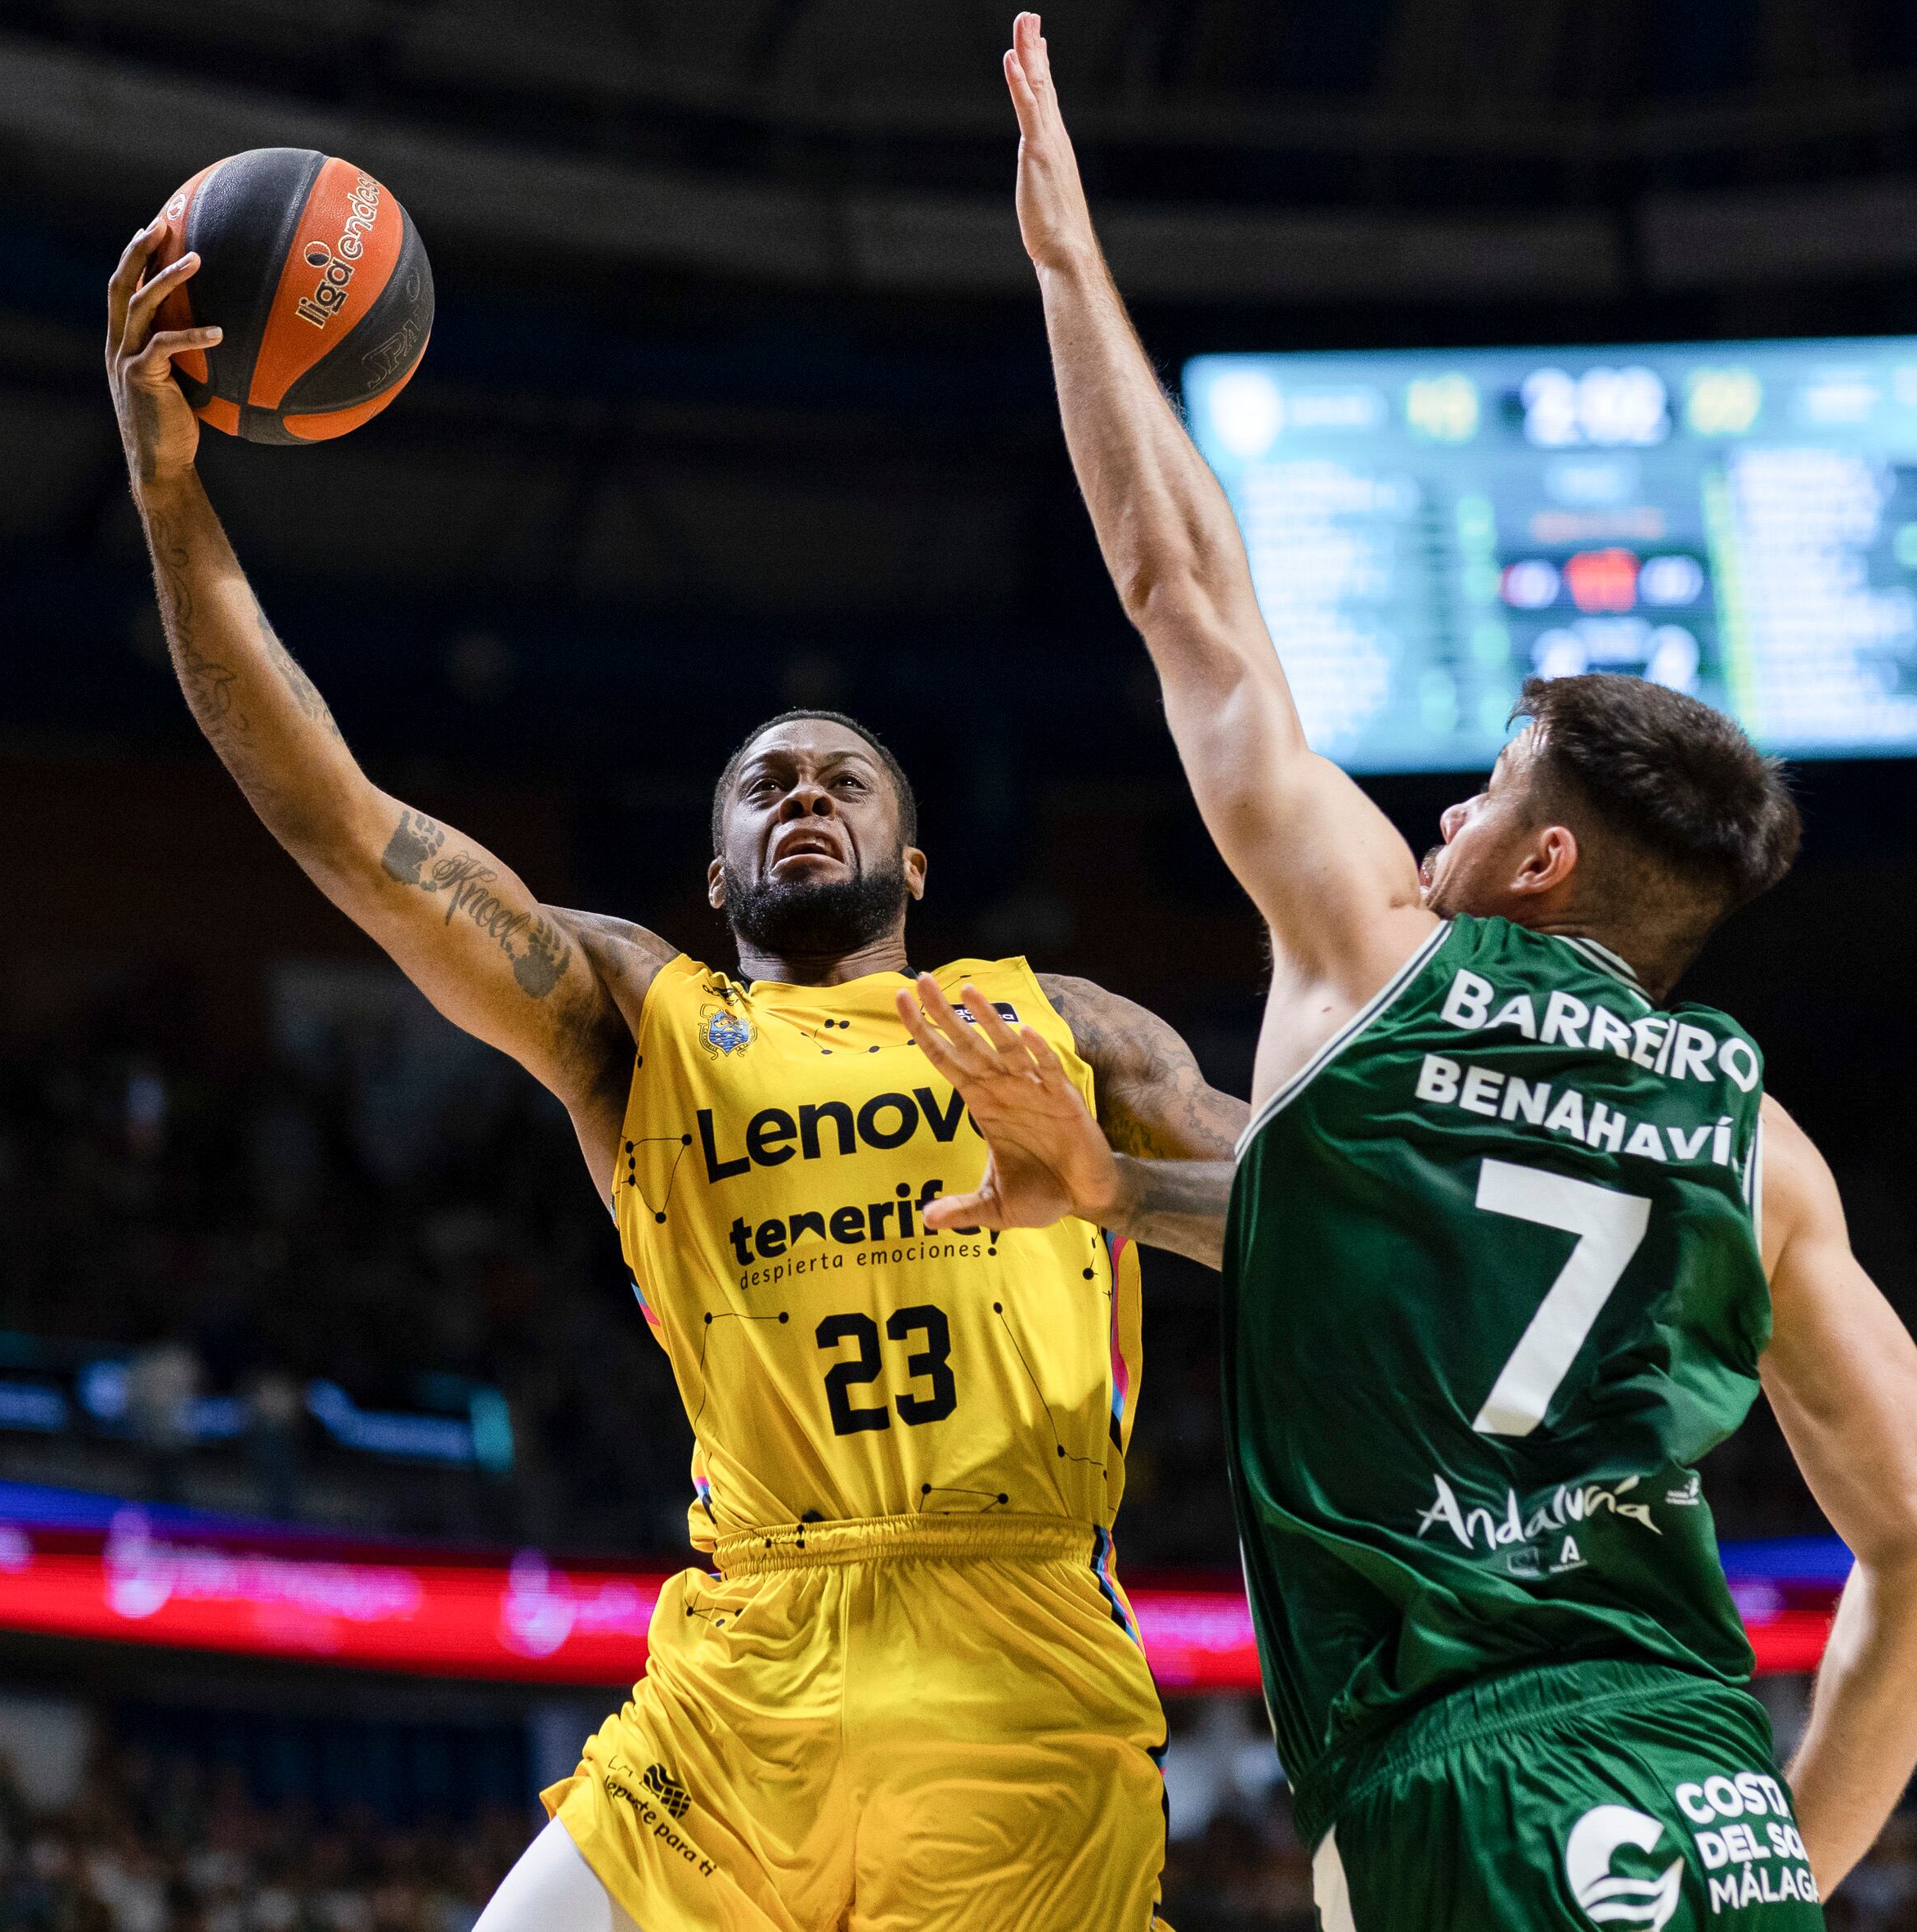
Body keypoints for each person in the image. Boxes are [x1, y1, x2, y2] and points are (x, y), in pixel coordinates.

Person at [889, 18, 1917, 1931]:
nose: (1433, 814)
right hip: (1703, 1795)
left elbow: (1184, 598)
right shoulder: (1758, 1151)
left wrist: (1068, 268)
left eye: (1479, 788)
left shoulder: (1379, 953)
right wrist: (1787, 1852)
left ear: (1541, 860)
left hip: (1464, 1781)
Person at [102, 211, 1246, 1932]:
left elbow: (1320, 1218)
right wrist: (171, 499)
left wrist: (1109, 1186)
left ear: (917, 867)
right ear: (713, 875)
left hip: (1015, 1670)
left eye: (844, 779)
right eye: (763, 783)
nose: (802, 793)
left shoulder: (1067, 1025)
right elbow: (341, 827)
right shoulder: (639, 1017)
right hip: (743, 1664)